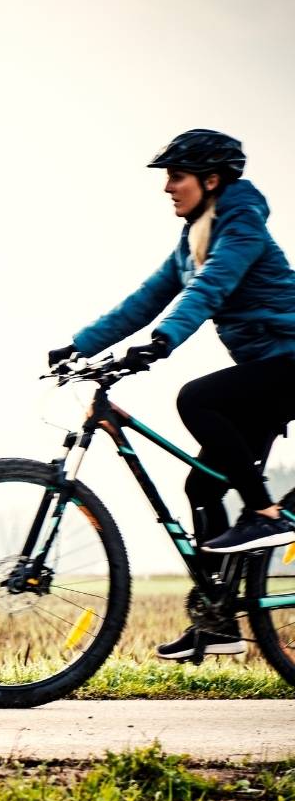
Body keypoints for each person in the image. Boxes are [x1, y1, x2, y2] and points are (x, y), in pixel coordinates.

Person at [47, 128, 295, 661]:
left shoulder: (241, 225)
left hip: (289, 363)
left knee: (196, 399)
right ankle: (219, 620)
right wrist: (77, 346)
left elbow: (210, 290)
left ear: (211, 180)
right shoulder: (193, 240)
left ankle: (266, 515)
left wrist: (162, 343)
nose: (167, 188)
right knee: (202, 487)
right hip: (266, 369)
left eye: (176, 176)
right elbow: (146, 299)